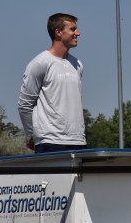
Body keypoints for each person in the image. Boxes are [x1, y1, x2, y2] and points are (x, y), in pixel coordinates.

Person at [18, 13, 87, 153]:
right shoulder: (40, 63)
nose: (78, 33)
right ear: (59, 32)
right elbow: (25, 104)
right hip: (49, 141)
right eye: (73, 29)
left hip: (78, 141)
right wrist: (32, 136)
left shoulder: (78, 64)